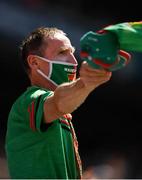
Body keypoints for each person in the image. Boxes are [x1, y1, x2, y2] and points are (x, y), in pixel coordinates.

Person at [5, 27, 112, 179]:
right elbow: (58, 103)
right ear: (34, 62)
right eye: (62, 53)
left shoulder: (59, 112)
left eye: (72, 53)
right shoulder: (28, 101)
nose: (74, 61)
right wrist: (86, 82)